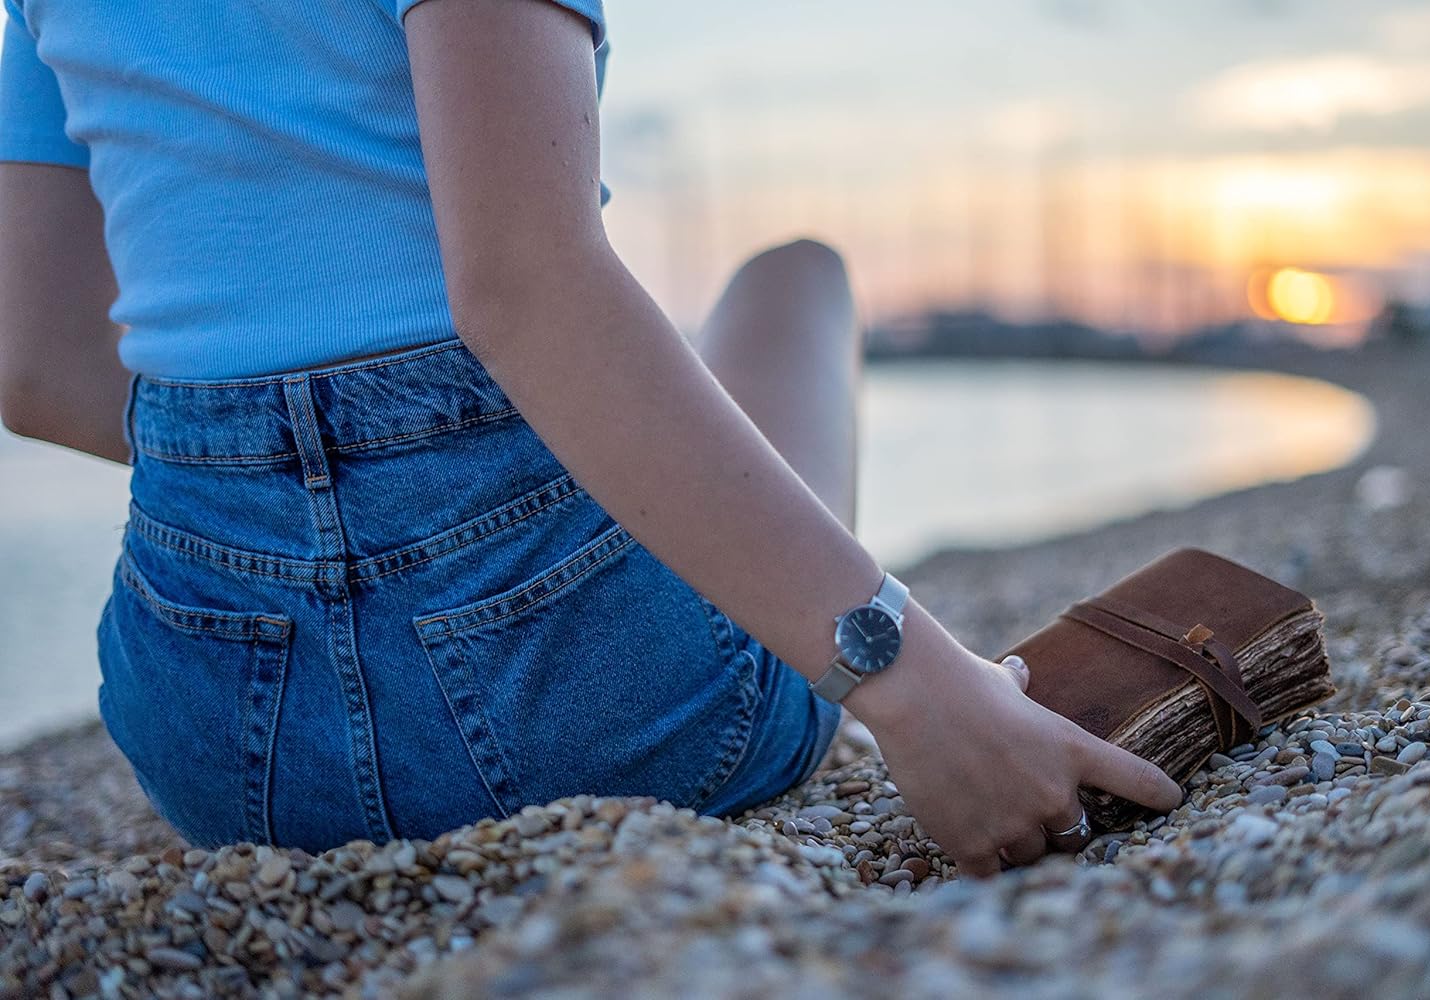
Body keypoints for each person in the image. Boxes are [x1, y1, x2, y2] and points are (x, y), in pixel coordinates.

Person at [0, 0, 1182, 875]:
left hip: (220, 748)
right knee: (796, 279)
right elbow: (523, 290)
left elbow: (34, 363)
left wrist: (275, 482)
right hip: (588, 714)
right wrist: (921, 694)